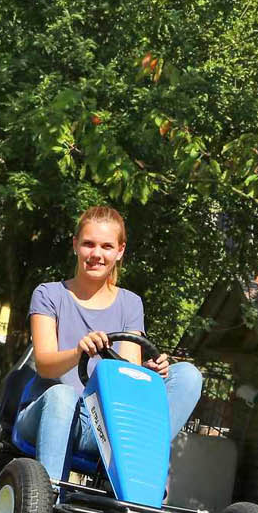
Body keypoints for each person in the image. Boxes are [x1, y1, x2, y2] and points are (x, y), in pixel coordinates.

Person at [14, 205, 203, 491]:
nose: (96, 254)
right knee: (63, 395)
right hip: (48, 413)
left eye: (106, 246)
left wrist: (149, 373)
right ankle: (49, 502)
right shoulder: (49, 294)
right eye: (88, 244)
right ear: (75, 245)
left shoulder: (130, 303)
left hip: (107, 425)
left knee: (188, 375)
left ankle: (143, 484)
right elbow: (44, 364)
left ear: (120, 251)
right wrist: (79, 351)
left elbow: (128, 372)